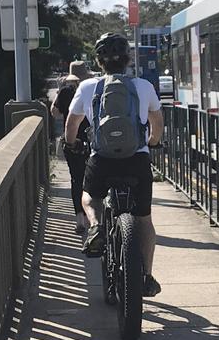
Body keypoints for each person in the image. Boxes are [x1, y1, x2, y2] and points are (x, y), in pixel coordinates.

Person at [64, 33, 164, 297]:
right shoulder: (143, 86)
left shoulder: (87, 88)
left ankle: (96, 225)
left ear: (99, 62)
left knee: (89, 198)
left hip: (103, 158)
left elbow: (71, 125)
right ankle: (147, 277)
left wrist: (71, 144)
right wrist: (153, 142)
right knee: (144, 220)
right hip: (137, 159)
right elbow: (157, 122)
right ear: (128, 60)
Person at [51, 61, 92, 233]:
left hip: (72, 141)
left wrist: (59, 91)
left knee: (76, 180)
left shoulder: (67, 92)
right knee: (93, 179)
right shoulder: (91, 89)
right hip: (92, 140)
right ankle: (95, 217)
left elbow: (54, 112)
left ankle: (80, 221)